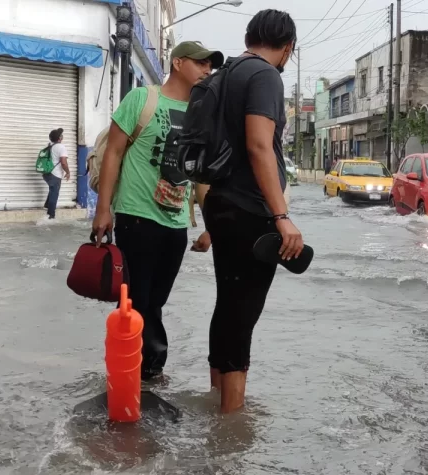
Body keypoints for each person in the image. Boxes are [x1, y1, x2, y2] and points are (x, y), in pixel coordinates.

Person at [92, 41, 223, 381]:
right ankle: (141, 373)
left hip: (176, 223)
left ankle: (141, 373)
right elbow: (114, 154)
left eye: (210, 66)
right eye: (201, 63)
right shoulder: (142, 99)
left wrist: (211, 228)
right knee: (137, 300)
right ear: (178, 62)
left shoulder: (201, 116)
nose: (207, 70)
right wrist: (103, 210)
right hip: (137, 216)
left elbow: (201, 179)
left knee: (155, 302)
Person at [200, 9, 303, 413]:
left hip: (219, 202)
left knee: (228, 303)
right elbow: (260, 145)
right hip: (250, 209)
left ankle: (214, 401)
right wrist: (281, 216)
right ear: (288, 48)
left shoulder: (223, 74)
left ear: (249, 35)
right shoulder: (264, 75)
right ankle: (230, 423)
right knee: (242, 312)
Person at [44, 128, 71, 220]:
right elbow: (63, 162)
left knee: (52, 190)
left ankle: (47, 205)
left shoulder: (49, 146)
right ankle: (51, 216)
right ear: (60, 138)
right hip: (55, 174)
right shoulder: (61, 147)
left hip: (47, 173)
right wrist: (68, 172)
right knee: (54, 193)